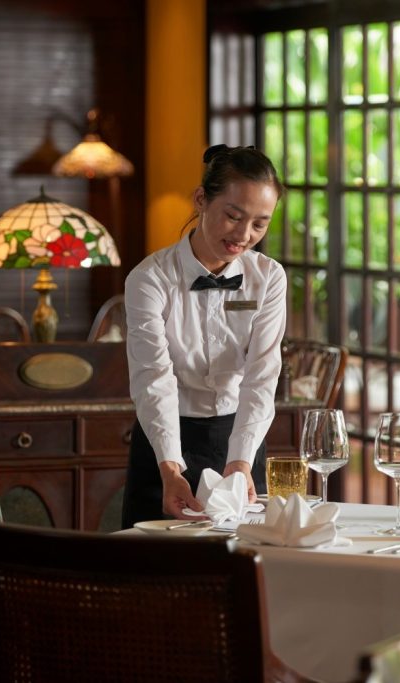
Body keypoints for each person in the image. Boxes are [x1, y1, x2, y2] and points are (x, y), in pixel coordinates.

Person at [121, 144, 286, 528]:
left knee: (239, 569)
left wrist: (241, 460)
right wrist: (169, 467)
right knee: (156, 572)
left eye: (260, 224)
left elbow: (262, 376)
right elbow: (153, 379)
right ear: (201, 200)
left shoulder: (268, 278)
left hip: (239, 438)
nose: (244, 235)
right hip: (165, 439)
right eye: (233, 216)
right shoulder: (149, 279)